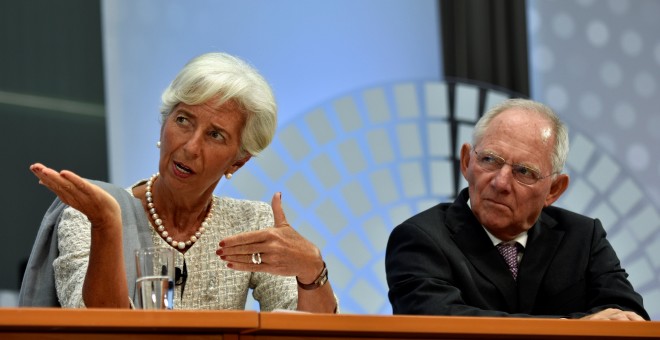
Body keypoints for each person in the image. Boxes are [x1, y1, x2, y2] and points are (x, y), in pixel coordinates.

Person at [19, 52, 337, 313]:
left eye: (215, 135)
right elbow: (95, 327)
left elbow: (308, 333)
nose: (190, 146)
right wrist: (106, 225)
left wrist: (312, 271)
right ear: (164, 123)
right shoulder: (89, 213)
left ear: (238, 161)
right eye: (183, 120)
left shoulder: (249, 222)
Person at [385, 98, 649, 320]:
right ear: (466, 161)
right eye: (489, 160)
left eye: (524, 171)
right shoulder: (419, 239)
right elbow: (440, 324)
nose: (500, 183)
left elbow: (628, 316)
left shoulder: (583, 237)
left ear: (554, 189)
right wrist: (576, 326)